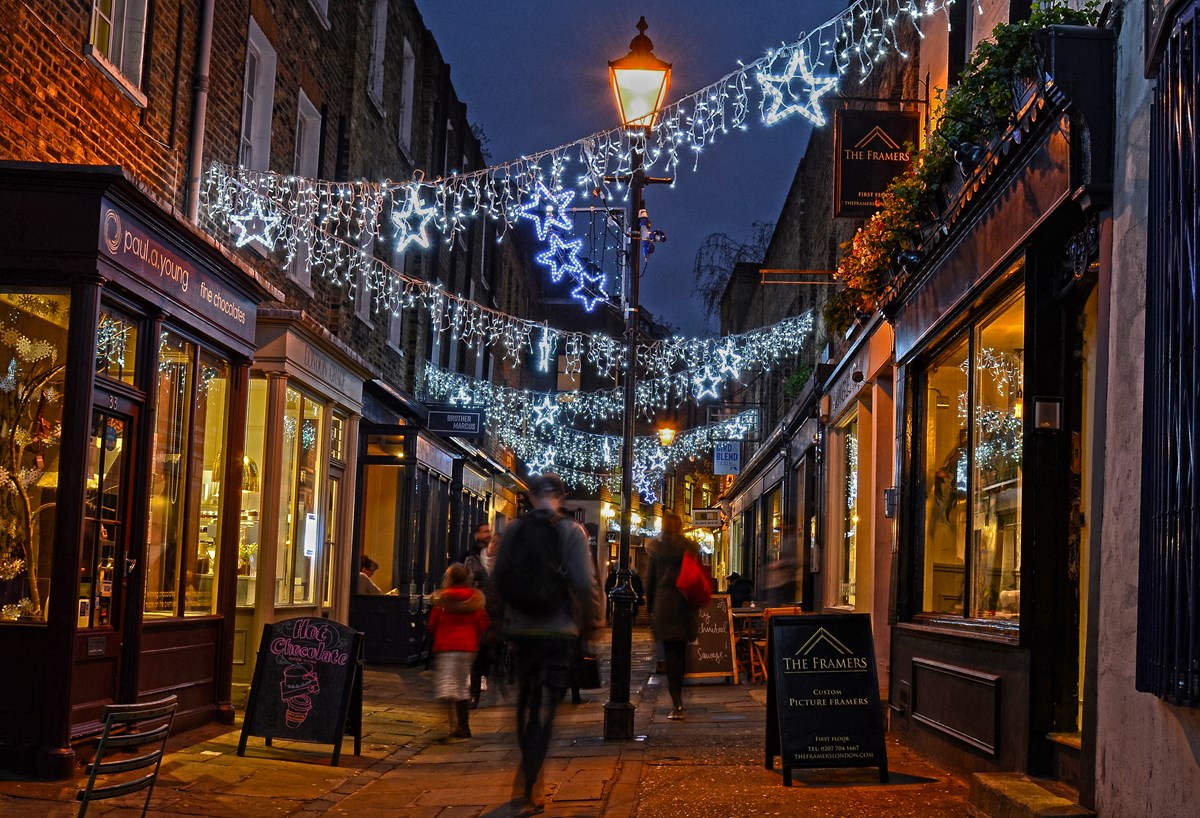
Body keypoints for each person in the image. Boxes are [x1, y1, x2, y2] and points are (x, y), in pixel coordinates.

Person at [494, 473, 601, 817]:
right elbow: (585, 582)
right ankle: (532, 779)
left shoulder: (513, 529)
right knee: (549, 709)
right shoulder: (571, 531)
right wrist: (594, 617)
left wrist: (499, 621)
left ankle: (528, 769)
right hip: (559, 630)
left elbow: (498, 579)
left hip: (522, 629)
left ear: (530, 496)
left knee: (525, 701)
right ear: (561, 496)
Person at [646, 512, 700, 721]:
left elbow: (650, 582)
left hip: (664, 605)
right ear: (679, 526)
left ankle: (676, 700)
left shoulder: (656, 549)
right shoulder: (689, 547)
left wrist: (651, 608)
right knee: (681, 650)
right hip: (684, 605)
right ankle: (679, 696)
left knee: (670, 654)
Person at [427, 563, 488, 739]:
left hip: (446, 646)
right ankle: (463, 726)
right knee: (461, 684)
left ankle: (449, 725)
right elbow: (482, 623)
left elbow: (432, 624)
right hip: (467, 647)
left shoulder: (443, 599)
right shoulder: (474, 599)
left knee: (446, 684)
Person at [467, 529, 506, 709]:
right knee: (478, 656)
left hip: (497, 618)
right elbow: (466, 584)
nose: (495, 546)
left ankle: (489, 680)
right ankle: (474, 695)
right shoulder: (473, 561)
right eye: (494, 542)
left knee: (490, 655)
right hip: (476, 616)